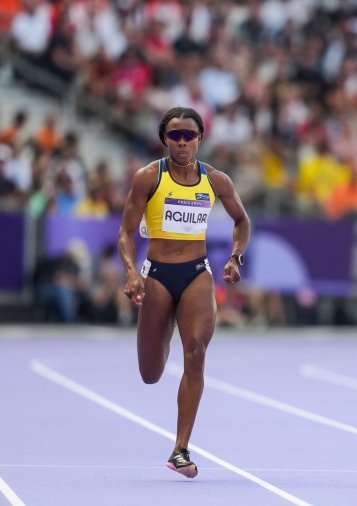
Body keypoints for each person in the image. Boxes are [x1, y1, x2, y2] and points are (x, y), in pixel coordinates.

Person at [117, 106, 250, 478]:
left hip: (196, 273)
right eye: (174, 135)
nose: (181, 142)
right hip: (157, 275)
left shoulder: (216, 180)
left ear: (199, 139)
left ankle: (180, 449)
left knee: (196, 351)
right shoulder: (149, 177)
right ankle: (162, 335)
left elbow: (242, 220)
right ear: (165, 139)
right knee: (151, 373)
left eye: (188, 135)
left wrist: (235, 257)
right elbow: (125, 232)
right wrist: (132, 273)